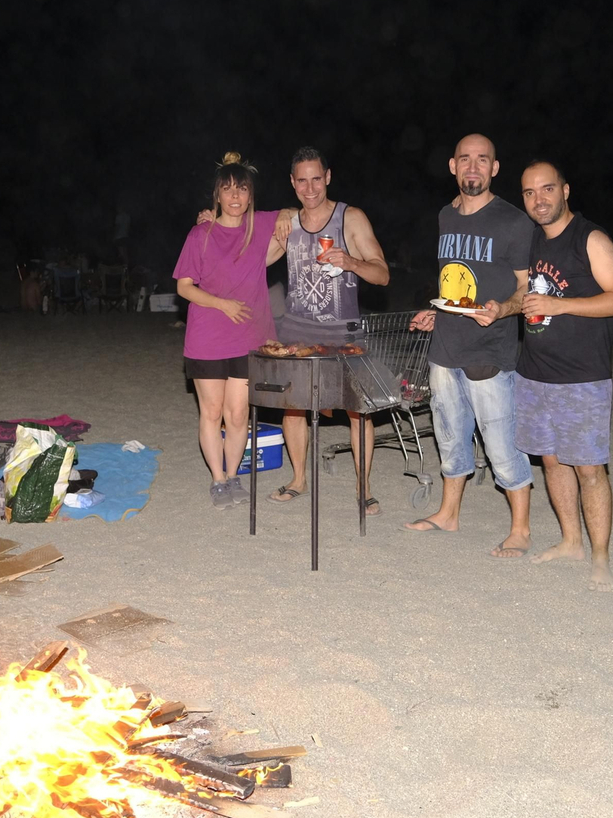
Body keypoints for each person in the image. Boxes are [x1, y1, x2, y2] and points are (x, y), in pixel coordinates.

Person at [405, 134, 535, 557]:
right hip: (445, 347)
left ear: (495, 168)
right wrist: (436, 311)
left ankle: (521, 529)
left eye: (483, 160)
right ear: (452, 166)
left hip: (490, 352)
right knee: (449, 437)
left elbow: (525, 289)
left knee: (501, 443)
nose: (473, 167)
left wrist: (502, 310)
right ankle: (449, 513)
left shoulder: (514, 222)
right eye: (466, 159)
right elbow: (455, 281)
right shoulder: (446, 215)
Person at [511, 161, 613, 592]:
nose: (538, 199)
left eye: (547, 189)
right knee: (549, 460)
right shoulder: (532, 240)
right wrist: (502, 308)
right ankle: (570, 541)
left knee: (588, 469)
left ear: (566, 190)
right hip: (534, 372)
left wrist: (563, 306)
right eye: (529, 193)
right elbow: (527, 293)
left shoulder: (590, 238)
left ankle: (600, 557)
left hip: (582, 377)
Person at [265, 148, 391, 514]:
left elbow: (382, 274)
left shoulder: (350, 218)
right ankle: (298, 479)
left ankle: (363, 487)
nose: (310, 187)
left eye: (316, 178)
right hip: (296, 331)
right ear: (292, 183)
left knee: (358, 411)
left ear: (328, 177)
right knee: (293, 407)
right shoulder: (286, 223)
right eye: (301, 180)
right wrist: (213, 220)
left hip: (344, 333)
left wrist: (351, 261)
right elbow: (246, 259)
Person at [172, 152, 287, 509]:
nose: (235, 196)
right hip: (207, 339)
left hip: (249, 338)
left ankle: (234, 474)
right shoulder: (200, 233)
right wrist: (222, 304)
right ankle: (217, 480)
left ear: (251, 195)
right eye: (228, 189)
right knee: (211, 412)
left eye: (242, 189)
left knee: (238, 415)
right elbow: (184, 287)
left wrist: (284, 220)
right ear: (217, 196)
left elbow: (305, 212)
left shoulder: (261, 225)